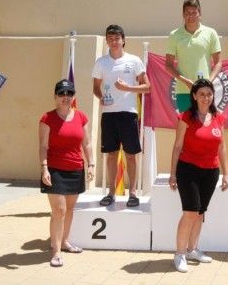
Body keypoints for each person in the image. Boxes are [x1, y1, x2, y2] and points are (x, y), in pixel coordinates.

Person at [168, 79, 228, 273]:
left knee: (200, 212)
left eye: (209, 94)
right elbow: (177, 146)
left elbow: (222, 147)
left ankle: (193, 249)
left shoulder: (219, 118)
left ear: (213, 96)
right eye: (201, 94)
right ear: (194, 96)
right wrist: (172, 174)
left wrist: (226, 174)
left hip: (211, 171)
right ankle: (180, 253)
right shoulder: (186, 117)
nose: (205, 98)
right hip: (188, 170)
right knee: (191, 212)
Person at [92, 24, 150, 207]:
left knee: (131, 155)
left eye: (117, 38)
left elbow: (147, 87)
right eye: (110, 38)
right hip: (109, 114)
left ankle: (133, 193)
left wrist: (127, 88)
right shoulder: (101, 62)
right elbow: (95, 87)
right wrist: (101, 97)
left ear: (123, 40)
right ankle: (111, 193)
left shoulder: (134, 61)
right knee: (111, 155)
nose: (114, 41)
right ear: (107, 41)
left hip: (128, 113)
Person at [39, 79, 95, 267]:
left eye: (69, 93)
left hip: (75, 168)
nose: (65, 97)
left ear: (73, 97)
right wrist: (44, 168)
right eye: (61, 93)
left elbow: (86, 143)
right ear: (55, 96)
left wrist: (91, 165)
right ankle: (55, 252)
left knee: (69, 209)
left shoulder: (81, 117)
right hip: (54, 170)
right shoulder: (47, 118)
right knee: (59, 210)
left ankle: (64, 242)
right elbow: (43, 146)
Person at [165, 0, 222, 112]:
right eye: (187, 13)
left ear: (199, 14)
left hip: (205, 92)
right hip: (183, 91)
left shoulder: (211, 33)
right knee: (185, 128)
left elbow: (219, 63)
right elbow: (168, 65)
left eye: (194, 13)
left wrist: (208, 82)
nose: (191, 16)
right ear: (183, 15)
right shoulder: (174, 35)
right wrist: (186, 82)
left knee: (205, 127)